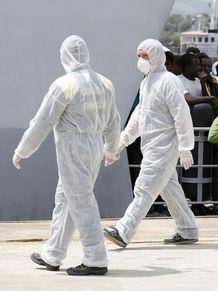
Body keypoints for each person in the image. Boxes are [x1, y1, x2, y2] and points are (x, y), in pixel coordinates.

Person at [12, 35, 120, 275]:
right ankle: (53, 254)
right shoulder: (105, 83)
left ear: (65, 56)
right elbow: (114, 120)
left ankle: (96, 259)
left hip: (73, 146)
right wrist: (111, 148)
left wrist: (22, 150)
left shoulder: (63, 85)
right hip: (94, 144)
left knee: (81, 201)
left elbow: (42, 121)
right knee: (66, 198)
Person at [103, 39, 198, 247]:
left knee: (144, 188)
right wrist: (118, 145)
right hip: (151, 145)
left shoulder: (169, 81)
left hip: (164, 146)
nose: (140, 60)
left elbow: (181, 114)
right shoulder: (146, 82)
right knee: (169, 188)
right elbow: (138, 118)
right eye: (139, 56)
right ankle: (188, 228)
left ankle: (123, 230)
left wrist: (185, 146)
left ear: (155, 56)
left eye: (144, 56)